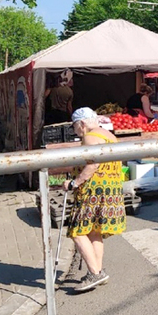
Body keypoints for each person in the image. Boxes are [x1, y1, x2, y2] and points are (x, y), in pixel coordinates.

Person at [63, 107, 126, 292]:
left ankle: (95, 273)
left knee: (77, 231)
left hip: (94, 190)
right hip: (111, 189)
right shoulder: (108, 135)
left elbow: (93, 163)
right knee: (94, 232)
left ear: (81, 123)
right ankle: (97, 271)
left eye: (75, 128)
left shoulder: (90, 137)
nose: (76, 132)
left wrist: (75, 182)